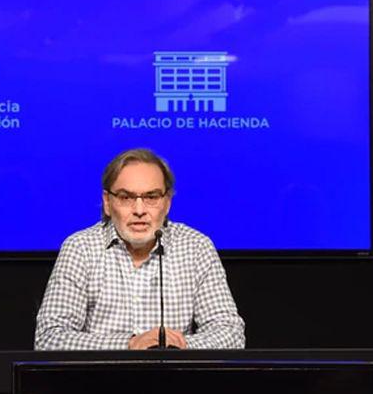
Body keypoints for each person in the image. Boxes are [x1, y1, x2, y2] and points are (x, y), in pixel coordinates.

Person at [35, 148, 245, 350]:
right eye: (126, 197)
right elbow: (49, 337)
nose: (139, 210)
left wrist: (179, 347)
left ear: (167, 202)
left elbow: (231, 333)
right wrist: (129, 344)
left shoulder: (196, 247)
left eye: (151, 197)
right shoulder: (80, 248)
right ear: (107, 202)